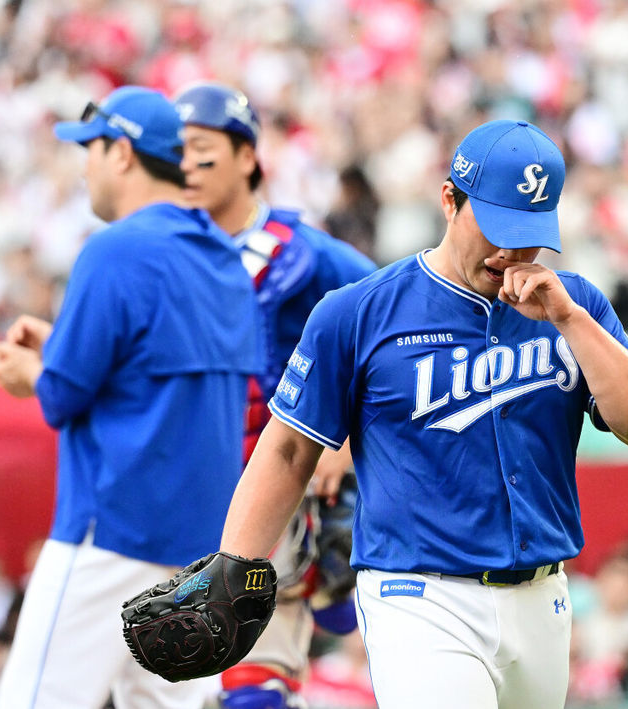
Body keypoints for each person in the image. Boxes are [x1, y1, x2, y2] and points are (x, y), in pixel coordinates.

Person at [218, 119, 628, 709]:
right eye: (497, 226)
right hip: (420, 595)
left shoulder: (577, 305)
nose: (512, 250)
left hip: (543, 596)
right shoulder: (359, 312)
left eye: (529, 232)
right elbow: (287, 450)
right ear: (449, 201)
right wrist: (235, 566)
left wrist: (572, 322)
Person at [0, 86, 258, 708]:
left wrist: (32, 370)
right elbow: (152, 367)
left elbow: (61, 397)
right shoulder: (222, 256)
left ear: (123, 154)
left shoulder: (114, 248)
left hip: (111, 530)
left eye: (92, 148)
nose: (84, 164)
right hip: (195, 552)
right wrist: (60, 348)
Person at [172, 82, 376, 709]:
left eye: (202, 149)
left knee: (251, 690)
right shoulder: (159, 253)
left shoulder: (308, 256)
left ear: (246, 155)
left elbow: (388, 341)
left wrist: (345, 439)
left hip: (274, 489)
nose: (186, 165)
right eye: (175, 152)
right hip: (177, 489)